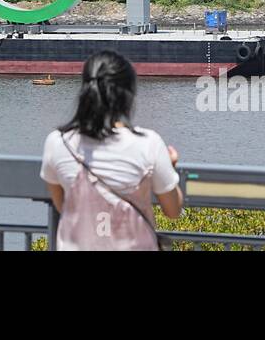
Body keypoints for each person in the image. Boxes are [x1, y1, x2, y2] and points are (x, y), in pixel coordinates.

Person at [40, 50, 183, 250]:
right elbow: (173, 211)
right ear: (129, 95)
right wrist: (169, 167)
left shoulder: (57, 142)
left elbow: (63, 205)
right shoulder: (149, 143)